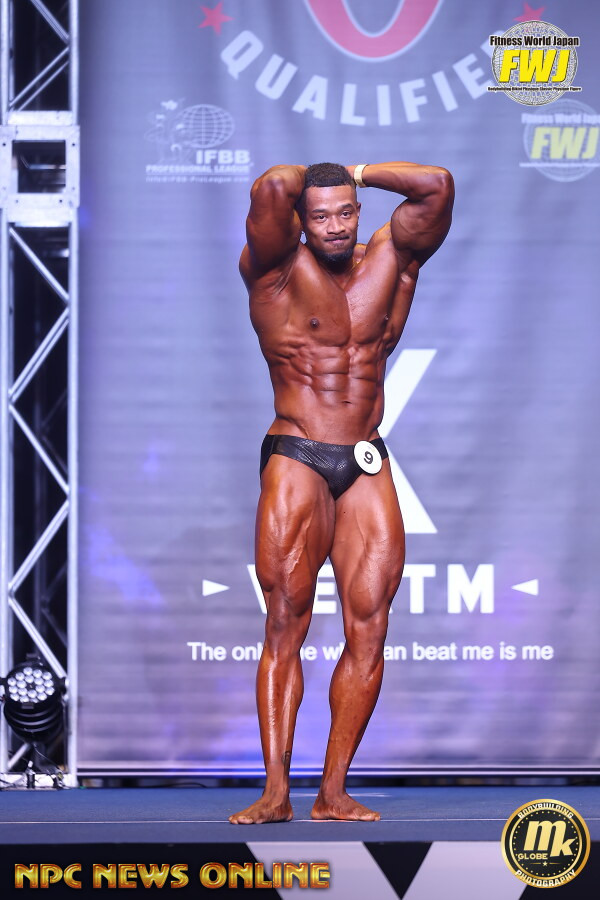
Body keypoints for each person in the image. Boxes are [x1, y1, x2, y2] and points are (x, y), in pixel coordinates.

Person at [229, 161, 454, 824]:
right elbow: (273, 186)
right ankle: (275, 793)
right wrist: (317, 176)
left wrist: (355, 171)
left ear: (360, 210)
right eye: (321, 214)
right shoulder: (274, 268)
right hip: (297, 452)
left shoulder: (393, 258)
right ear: (301, 218)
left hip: (365, 454)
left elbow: (437, 186)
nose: (334, 225)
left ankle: (332, 792)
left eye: (346, 211)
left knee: (370, 626)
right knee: (284, 623)